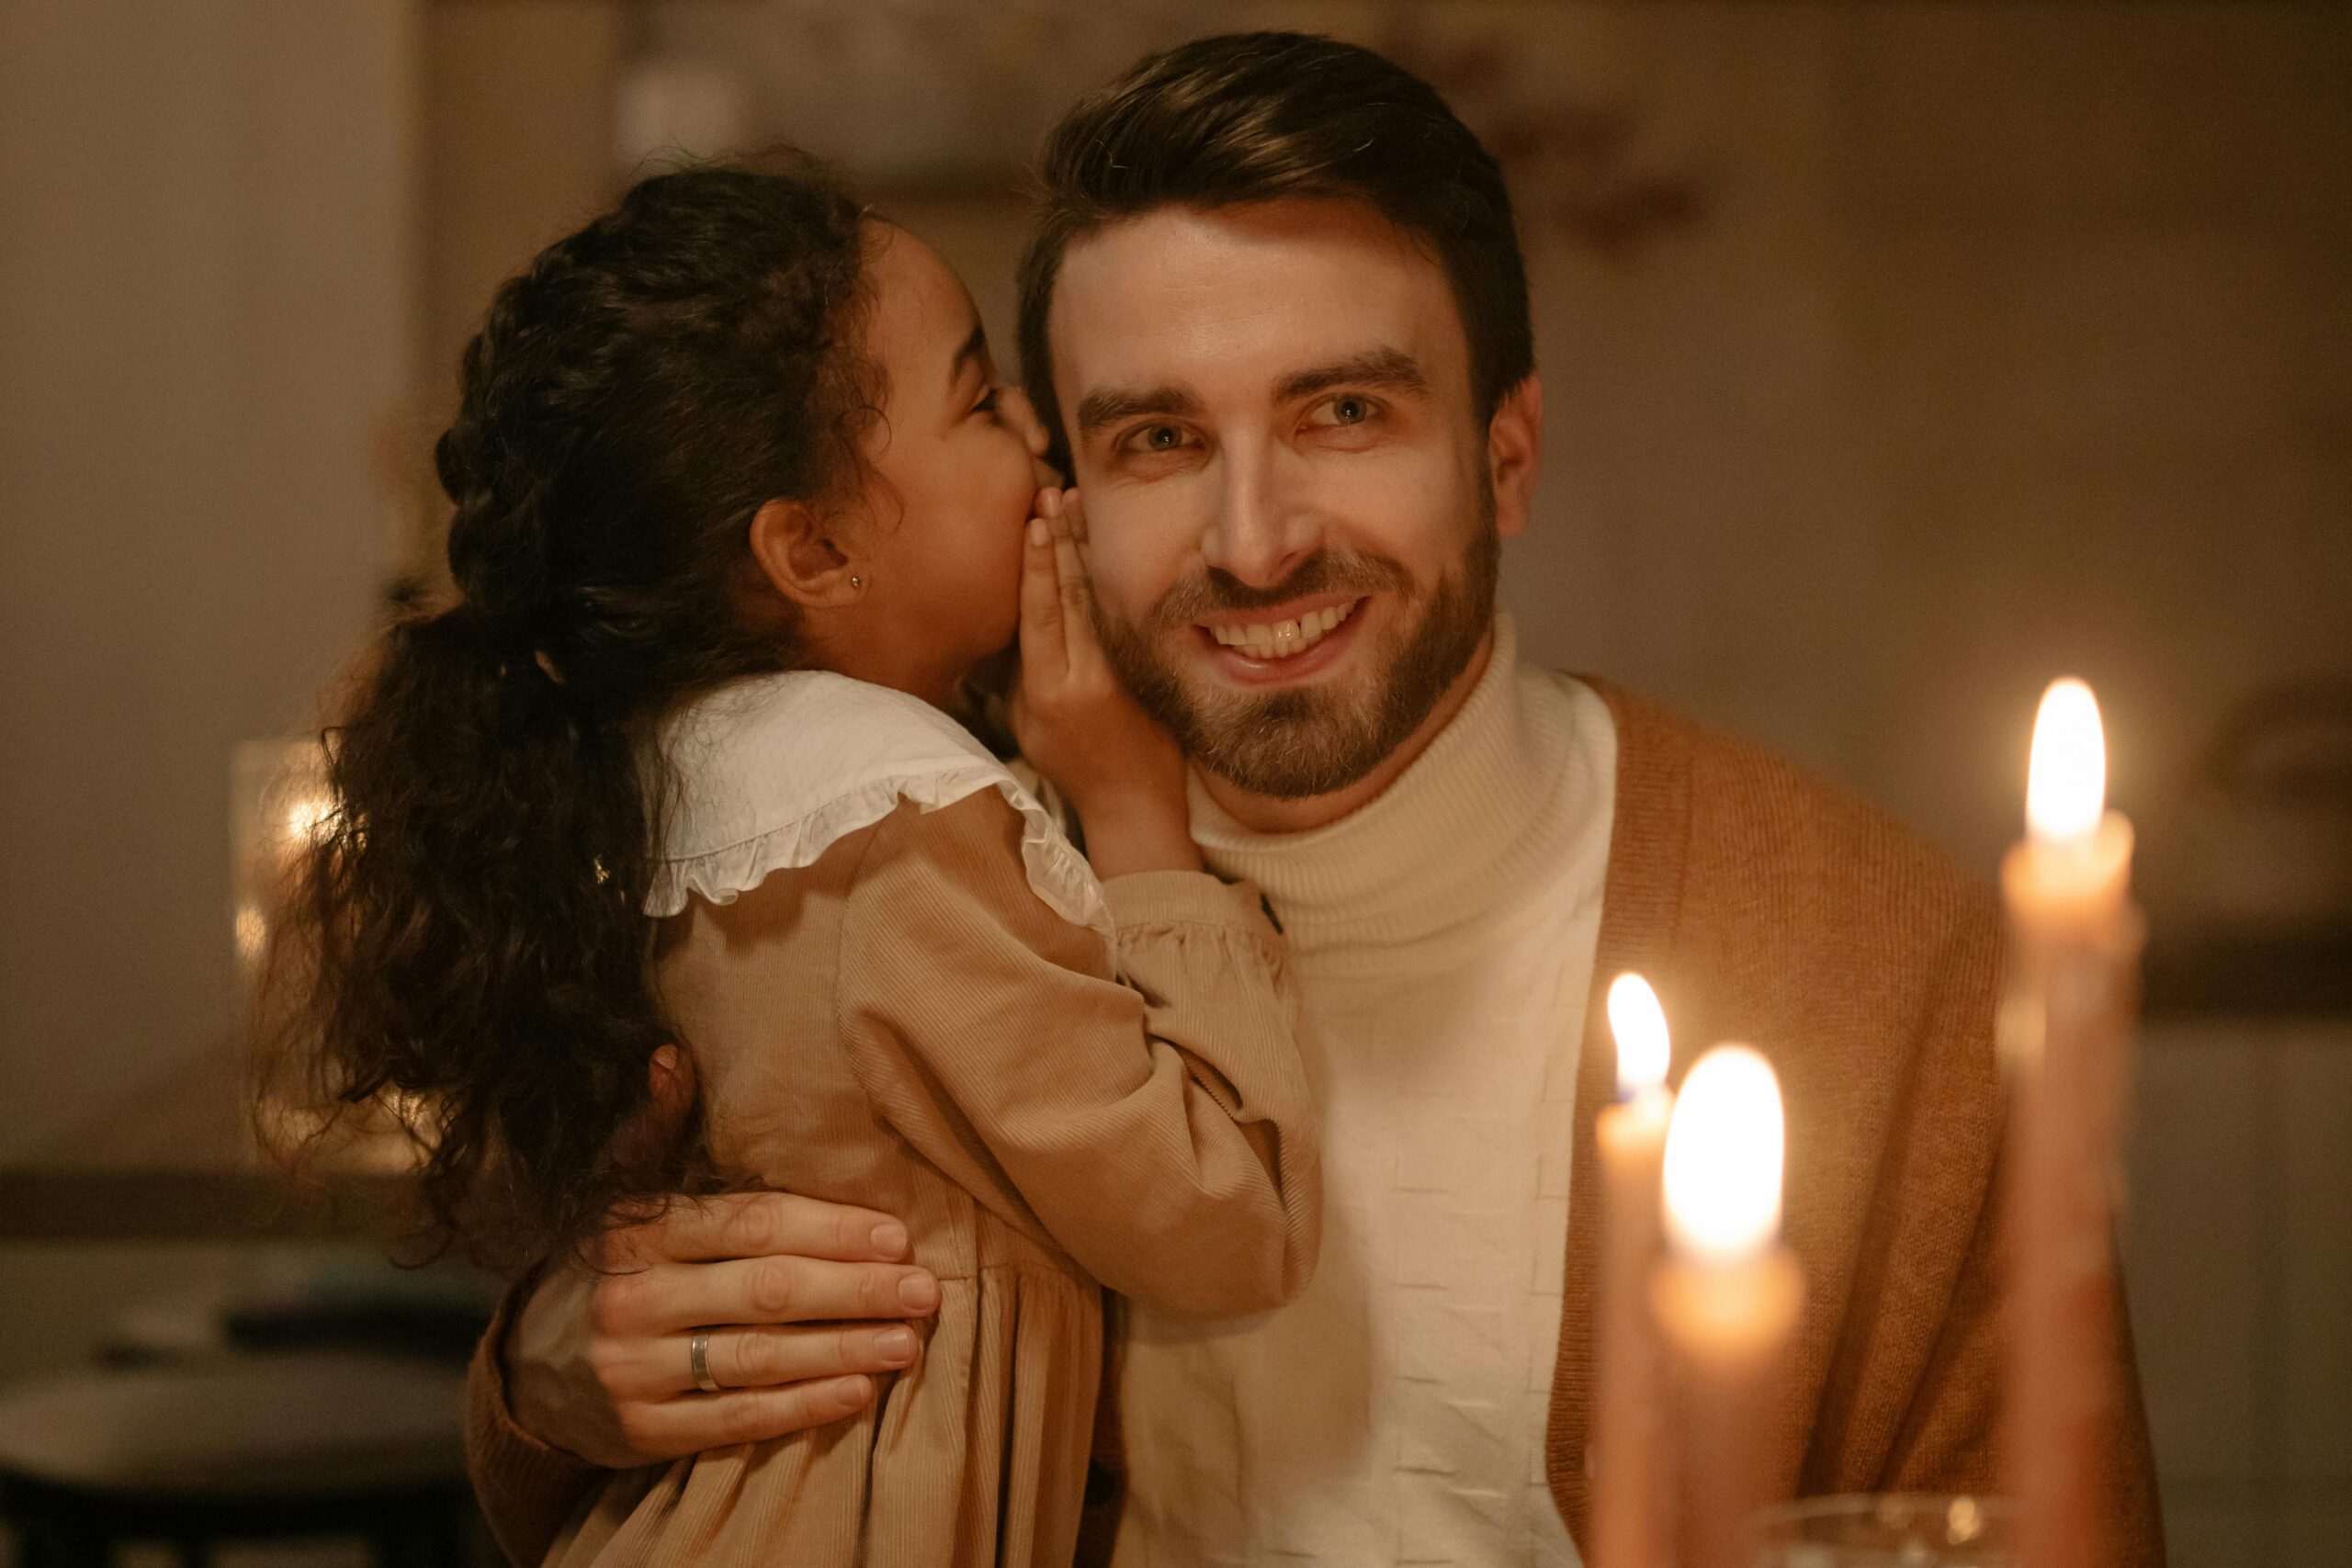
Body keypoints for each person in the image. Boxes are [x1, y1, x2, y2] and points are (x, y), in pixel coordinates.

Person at [460, 34, 2166, 1568]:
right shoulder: (897, 902)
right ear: (1053, 486)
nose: (1259, 540)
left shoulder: (1869, 966)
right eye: (1155, 440)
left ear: (1506, 456)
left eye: (1344, 413)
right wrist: (548, 1372)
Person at [264, 159, 1322, 1566]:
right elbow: (1219, 1217)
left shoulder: (713, 787)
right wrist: (1137, 819)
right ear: (813, 548)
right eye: (980, 397)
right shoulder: (889, 823)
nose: (1041, 442)